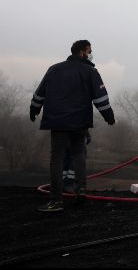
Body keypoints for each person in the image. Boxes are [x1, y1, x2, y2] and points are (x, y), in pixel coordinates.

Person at [30, 40, 115, 212]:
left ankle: (56, 201)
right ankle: (80, 191)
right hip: (79, 122)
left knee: (57, 159)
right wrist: (109, 115)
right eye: (90, 50)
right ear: (83, 52)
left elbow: (40, 93)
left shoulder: (54, 69)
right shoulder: (90, 71)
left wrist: (34, 109)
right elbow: (100, 97)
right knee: (78, 155)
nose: (91, 53)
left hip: (57, 122)